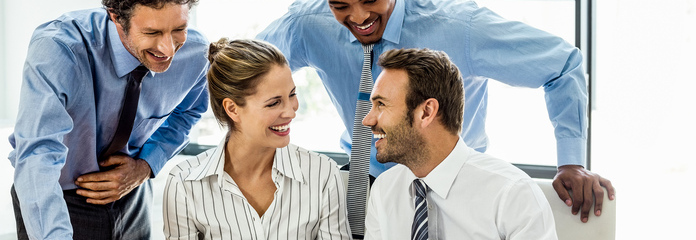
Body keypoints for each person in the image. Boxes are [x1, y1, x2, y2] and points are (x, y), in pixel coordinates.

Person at [257, 0, 614, 224]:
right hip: (362, 185)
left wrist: (570, 162)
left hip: (456, 184)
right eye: (340, 6)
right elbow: (242, 69)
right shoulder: (308, 24)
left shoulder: (460, 26)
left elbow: (562, 66)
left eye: (370, 0)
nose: (359, 16)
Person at [7, 0, 209, 239]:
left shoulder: (197, 53)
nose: (168, 49)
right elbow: (38, 155)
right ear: (116, 17)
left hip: (133, 194)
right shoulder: (59, 48)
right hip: (58, 199)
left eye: (178, 29)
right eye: (152, 32)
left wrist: (146, 166)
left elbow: (188, 112)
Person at [162, 38, 352, 240]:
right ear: (233, 109)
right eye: (273, 103)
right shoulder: (184, 182)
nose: (290, 112)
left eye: (292, 94)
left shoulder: (322, 174)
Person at [362, 48, 557, 240]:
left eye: (381, 104)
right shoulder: (384, 190)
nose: (367, 120)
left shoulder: (513, 194)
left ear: (427, 112)